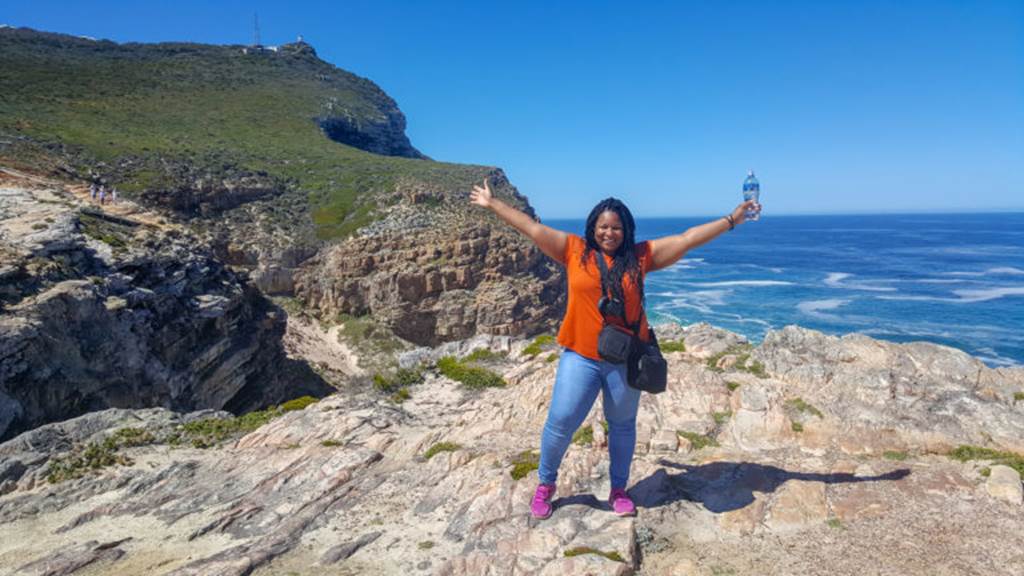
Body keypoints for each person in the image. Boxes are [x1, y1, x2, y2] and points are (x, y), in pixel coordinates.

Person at [469, 178, 760, 519]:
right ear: (593, 228)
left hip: (624, 361)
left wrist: (731, 220)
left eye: (617, 227)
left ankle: (618, 490)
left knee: (621, 426)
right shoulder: (573, 250)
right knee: (560, 422)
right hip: (580, 356)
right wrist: (493, 204)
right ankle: (545, 485)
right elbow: (531, 228)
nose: (609, 233)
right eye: (603, 227)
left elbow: (686, 239)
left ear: (627, 230)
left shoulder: (640, 258)